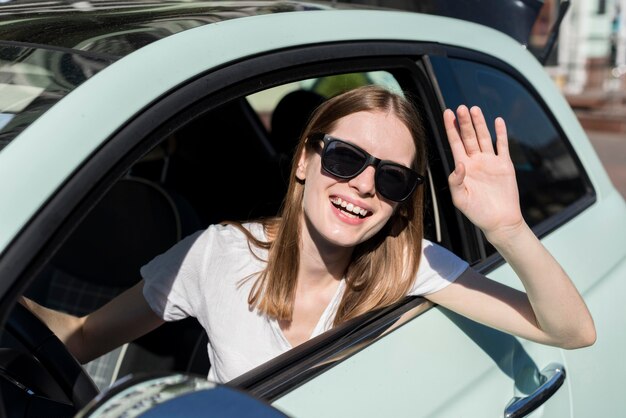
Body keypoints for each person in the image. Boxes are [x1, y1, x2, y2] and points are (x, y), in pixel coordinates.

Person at [21, 84, 596, 384]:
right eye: (345, 158)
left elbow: (571, 332)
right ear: (304, 160)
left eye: (392, 178)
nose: (365, 185)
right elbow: (81, 336)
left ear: (401, 203)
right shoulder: (217, 253)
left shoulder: (408, 265)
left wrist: (509, 228)